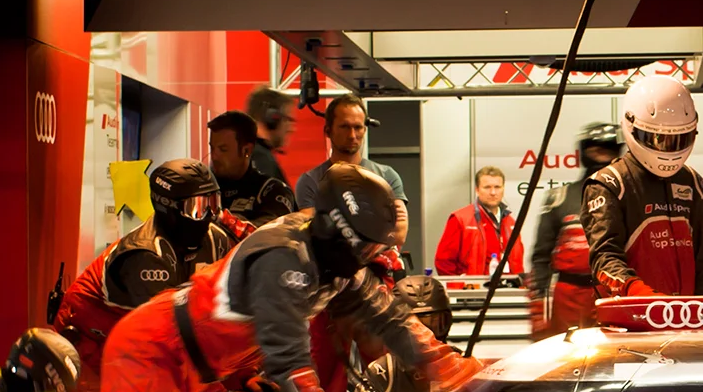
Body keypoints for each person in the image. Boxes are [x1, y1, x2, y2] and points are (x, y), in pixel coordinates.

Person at [96, 164, 475, 392]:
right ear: (340, 230)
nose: (370, 256)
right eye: (367, 246)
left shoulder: (334, 252)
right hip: (152, 352)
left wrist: (468, 378)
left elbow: (393, 321)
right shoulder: (282, 255)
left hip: (204, 364)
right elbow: (289, 358)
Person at [52, 158, 231, 392]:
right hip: (90, 347)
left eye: (212, 203)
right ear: (168, 208)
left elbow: (225, 315)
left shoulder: (217, 240)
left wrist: (244, 375)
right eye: (197, 208)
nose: (207, 216)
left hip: (136, 343)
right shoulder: (145, 256)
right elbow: (171, 340)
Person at [585, 74, 703, 298]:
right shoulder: (609, 183)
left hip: (685, 311)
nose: (668, 149)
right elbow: (604, 258)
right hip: (630, 311)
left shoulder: (692, 181)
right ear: (631, 127)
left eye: (678, 139)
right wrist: (640, 294)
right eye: (657, 138)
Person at [292, 97, 411, 279]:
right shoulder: (310, 180)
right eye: (345, 127)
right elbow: (313, 236)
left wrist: (344, 229)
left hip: (380, 278)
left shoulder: (386, 176)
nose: (352, 135)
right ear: (328, 131)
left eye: (358, 127)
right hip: (332, 278)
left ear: (365, 129)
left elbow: (399, 233)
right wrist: (373, 231)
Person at [528, 122, 622, 334]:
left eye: (608, 151)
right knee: (565, 353)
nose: (602, 157)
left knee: (615, 352)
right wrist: (538, 305)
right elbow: (541, 256)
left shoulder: (630, 197)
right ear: (584, 152)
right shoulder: (559, 198)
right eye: (596, 151)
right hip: (569, 297)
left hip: (613, 295)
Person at [434, 165, 523, 279]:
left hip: (507, 286)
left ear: (503, 189)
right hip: (474, 288)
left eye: (497, 187)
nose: (493, 192)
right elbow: (444, 262)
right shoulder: (460, 219)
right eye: (487, 187)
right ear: (477, 190)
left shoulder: (510, 222)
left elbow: (517, 263)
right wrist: (461, 286)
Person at [207, 110, 292, 228]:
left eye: (223, 149)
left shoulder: (272, 190)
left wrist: (225, 220)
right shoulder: (203, 188)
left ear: (246, 150)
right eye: (212, 148)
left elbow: (268, 231)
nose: (214, 156)